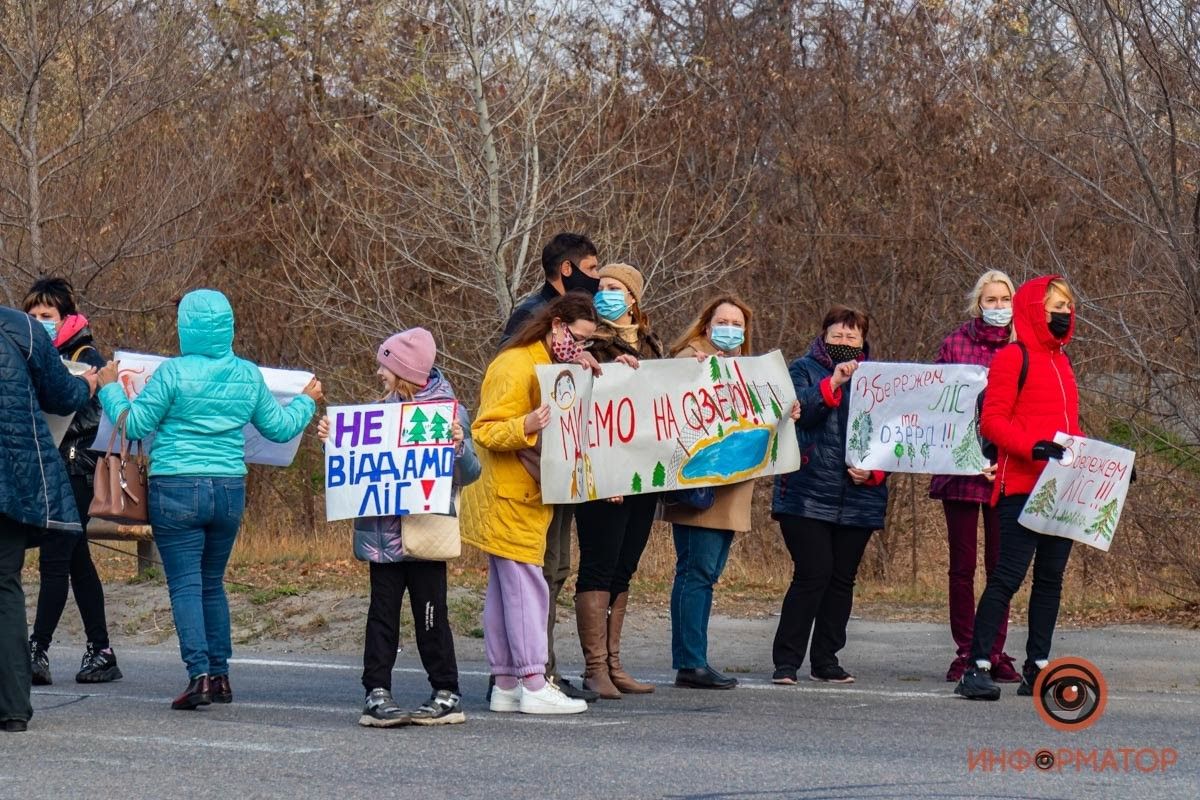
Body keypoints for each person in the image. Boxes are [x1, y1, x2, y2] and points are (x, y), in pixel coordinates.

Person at [95, 289, 321, 710]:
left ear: (186, 327)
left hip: (177, 486)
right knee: (212, 583)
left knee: (185, 584)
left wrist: (110, 389)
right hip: (229, 489)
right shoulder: (247, 375)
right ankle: (220, 676)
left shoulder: (173, 374)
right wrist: (308, 401)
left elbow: (135, 424)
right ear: (228, 327)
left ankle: (197, 675)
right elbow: (280, 428)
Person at [317, 328, 481, 727]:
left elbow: (471, 473)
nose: (379, 372)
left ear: (406, 371)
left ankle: (446, 692)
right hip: (383, 536)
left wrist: (458, 446)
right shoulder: (376, 414)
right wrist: (333, 442)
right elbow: (356, 467)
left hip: (426, 534)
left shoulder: (450, 413)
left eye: (385, 366)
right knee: (382, 614)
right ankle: (376, 692)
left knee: (431, 614)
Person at [461, 293, 600, 714]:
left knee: (506, 592)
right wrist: (527, 424)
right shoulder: (515, 364)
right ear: (556, 325)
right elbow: (484, 430)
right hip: (509, 495)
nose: (579, 347)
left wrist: (584, 366)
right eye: (577, 338)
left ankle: (506, 683)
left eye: (587, 342)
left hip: (521, 493)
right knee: (526, 590)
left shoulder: (547, 363)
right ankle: (534, 682)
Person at [955, 276, 1082, 701]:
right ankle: (976, 666)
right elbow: (992, 421)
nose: (1064, 313)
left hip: (1061, 490)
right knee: (1008, 576)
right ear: (1033, 310)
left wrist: (1109, 468)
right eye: (1055, 306)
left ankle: (1037, 667)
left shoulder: (1063, 362)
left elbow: (1072, 432)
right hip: (1022, 486)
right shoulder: (1014, 357)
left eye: (1067, 306)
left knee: (1050, 579)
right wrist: (1033, 447)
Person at [663, 295, 799, 689]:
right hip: (700, 486)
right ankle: (690, 662)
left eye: (737, 324)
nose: (730, 329)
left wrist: (785, 411)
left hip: (730, 486)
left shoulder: (747, 370)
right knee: (696, 571)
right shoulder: (690, 359)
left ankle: (695, 658)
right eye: (723, 321)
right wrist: (693, 373)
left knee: (706, 573)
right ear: (707, 325)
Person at [497, 232, 602, 703]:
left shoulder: (571, 328)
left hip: (560, 466)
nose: (597, 278)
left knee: (555, 568)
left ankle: (537, 669)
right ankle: (534, 673)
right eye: (592, 269)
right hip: (531, 469)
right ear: (567, 270)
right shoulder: (530, 319)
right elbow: (512, 390)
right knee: (535, 573)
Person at [769, 306, 888, 686]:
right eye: (837, 335)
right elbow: (799, 414)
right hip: (806, 492)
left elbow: (897, 437)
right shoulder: (802, 369)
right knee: (812, 573)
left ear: (863, 341)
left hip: (860, 497)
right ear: (823, 336)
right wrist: (833, 383)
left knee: (841, 579)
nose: (844, 341)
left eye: (852, 336)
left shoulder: (880, 380)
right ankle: (787, 661)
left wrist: (875, 472)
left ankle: (826, 660)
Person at [0, 304, 97, 732]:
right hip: (12, 478)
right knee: (5, 586)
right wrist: (89, 384)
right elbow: (61, 394)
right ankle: (13, 708)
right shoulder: (22, 329)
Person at [22, 278, 121, 685]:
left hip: (76, 468)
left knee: (55, 557)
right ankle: (102, 650)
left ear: (66, 317)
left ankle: (37, 649)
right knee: (77, 560)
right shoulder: (33, 354)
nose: (38, 322)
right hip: (50, 468)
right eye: (32, 315)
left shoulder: (85, 356)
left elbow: (95, 417)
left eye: (47, 315)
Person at [573, 264, 663, 698]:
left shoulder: (652, 344)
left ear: (633, 298)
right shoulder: (587, 342)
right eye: (601, 286)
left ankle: (613, 661)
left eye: (615, 288)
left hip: (643, 475)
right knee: (599, 564)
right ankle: (594, 667)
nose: (605, 293)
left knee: (625, 567)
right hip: (603, 477)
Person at [930, 271, 1021, 684]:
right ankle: (966, 650)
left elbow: (1028, 412)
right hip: (961, 471)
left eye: (1005, 299)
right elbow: (937, 404)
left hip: (1008, 471)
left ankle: (993, 651)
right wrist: (968, 456)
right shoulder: (955, 344)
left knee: (1001, 567)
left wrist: (1006, 459)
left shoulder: (1023, 347)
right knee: (962, 567)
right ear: (978, 303)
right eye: (991, 299)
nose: (998, 306)